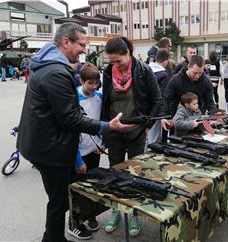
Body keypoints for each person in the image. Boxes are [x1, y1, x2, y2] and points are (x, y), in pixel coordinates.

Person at [16, 22, 133, 242]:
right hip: (50, 150)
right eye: (81, 44)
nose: (84, 50)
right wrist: (108, 126)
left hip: (42, 144)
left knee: (61, 197)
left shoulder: (48, 65)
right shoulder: (55, 72)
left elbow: (62, 108)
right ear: (65, 42)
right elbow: (69, 118)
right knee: (58, 202)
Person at [101, 37, 162, 236]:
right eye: (111, 61)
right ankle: (117, 211)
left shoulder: (144, 71)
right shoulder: (108, 72)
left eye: (118, 61)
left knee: (135, 174)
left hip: (137, 132)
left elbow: (157, 100)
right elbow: (106, 103)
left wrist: (148, 124)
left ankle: (133, 213)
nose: (114, 65)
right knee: (115, 173)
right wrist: (103, 130)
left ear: (128, 53)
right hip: (114, 132)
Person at [67, 62, 104, 239]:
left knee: (92, 186)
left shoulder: (99, 97)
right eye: (90, 83)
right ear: (81, 80)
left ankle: (90, 216)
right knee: (77, 189)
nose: (94, 86)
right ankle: (73, 223)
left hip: (94, 150)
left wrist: (103, 143)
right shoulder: (73, 99)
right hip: (79, 153)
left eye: (96, 82)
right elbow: (70, 131)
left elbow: (102, 121)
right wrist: (77, 159)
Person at [160, 55, 217, 130]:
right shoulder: (176, 80)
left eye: (200, 73)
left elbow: (209, 102)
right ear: (188, 67)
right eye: (195, 72)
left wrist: (215, 115)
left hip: (198, 119)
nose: (197, 76)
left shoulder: (206, 81)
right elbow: (166, 99)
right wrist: (162, 116)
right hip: (179, 119)